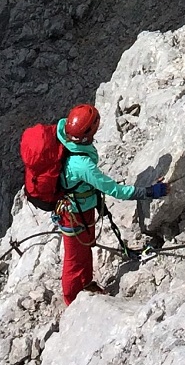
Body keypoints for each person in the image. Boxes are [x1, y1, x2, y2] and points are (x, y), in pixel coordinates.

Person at [56, 104, 167, 307]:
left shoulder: (63, 136)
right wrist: (149, 192)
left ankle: (86, 283)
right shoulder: (83, 165)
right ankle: (71, 301)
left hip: (82, 207)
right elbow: (116, 190)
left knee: (86, 247)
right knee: (73, 258)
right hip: (73, 214)